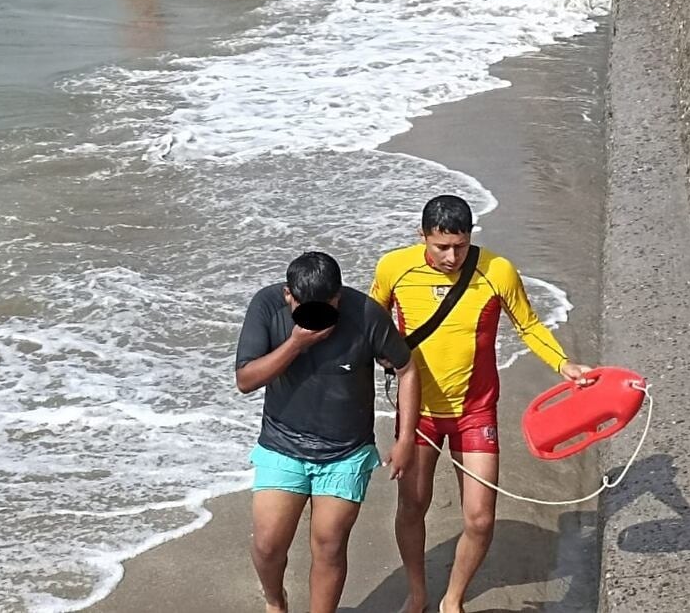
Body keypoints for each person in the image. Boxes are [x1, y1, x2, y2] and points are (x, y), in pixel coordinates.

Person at [368, 195, 594, 613]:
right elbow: (370, 320)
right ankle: (417, 593)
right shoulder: (394, 268)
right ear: (423, 236)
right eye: (441, 246)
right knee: (412, 506)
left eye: (460, 246)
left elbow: (528, 324)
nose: (451, 257)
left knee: (480, 518)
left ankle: (452, 600)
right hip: (418, 414)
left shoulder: (497, 270)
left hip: (476, 412)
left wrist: (564, 364)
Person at [237, 251, 421, 613]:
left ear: (339, 295)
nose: (320, 317)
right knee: (268, 546)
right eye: (308, 309)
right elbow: (245, 380)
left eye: (329, 306)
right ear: (289, 295)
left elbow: (407, 370)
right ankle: (276, 601)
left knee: (330, 545)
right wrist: (296, 343)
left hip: (345, 452)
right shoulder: (267, 306)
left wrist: (405, 440)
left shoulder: (365, 313)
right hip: (282, 443)